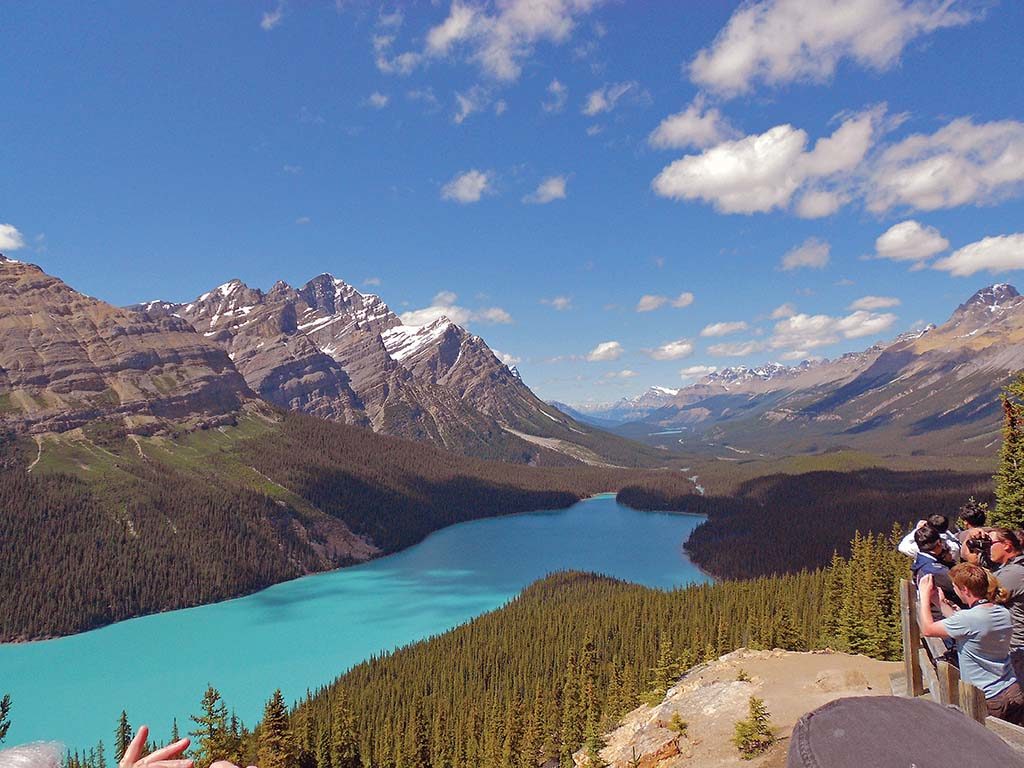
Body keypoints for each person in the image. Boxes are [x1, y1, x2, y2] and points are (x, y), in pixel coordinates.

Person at [918, 564, 1024, 724]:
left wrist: (924, 597)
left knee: (985, 746)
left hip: (986, 698)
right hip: (1013, 689)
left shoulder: (969, 619)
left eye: (955, 587)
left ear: (965, 590)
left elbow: (928, 629)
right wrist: (938, 602)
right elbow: (967, 625)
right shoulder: (1002, 612)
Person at [988, 528, 1024, 681]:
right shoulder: (1013, 568)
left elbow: (978, 593)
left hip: (1018, 648)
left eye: (991, 543)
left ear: (1007, 545)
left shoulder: (1014, 573)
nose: (988, 547)